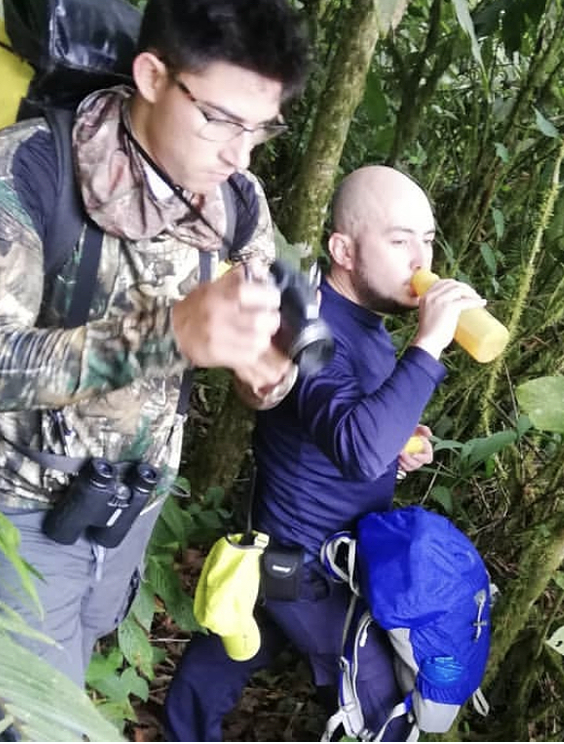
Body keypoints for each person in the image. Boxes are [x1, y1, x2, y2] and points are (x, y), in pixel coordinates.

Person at [0, 0, 311, 690]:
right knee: (37, 719)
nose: (241, 155)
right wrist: (168, 331)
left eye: (261, 129)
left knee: (77, 670)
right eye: (220, 120)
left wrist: (266, 373)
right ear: (152, 76)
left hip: (129, 508)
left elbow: (260, 371)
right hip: (20, 504)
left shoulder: (238, 204)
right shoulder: (26, 170)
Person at [163, 164, 491, 741]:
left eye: (428, 240)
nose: (421, 260)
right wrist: (430, 342)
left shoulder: (365, 324)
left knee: (211, 672)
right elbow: (358, 448)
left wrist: (399, 447)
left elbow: (358, 435)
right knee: (385, 715)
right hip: (307, 569)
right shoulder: (308, 327)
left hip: (308, 555)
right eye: (399, 240)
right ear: (342, 248)